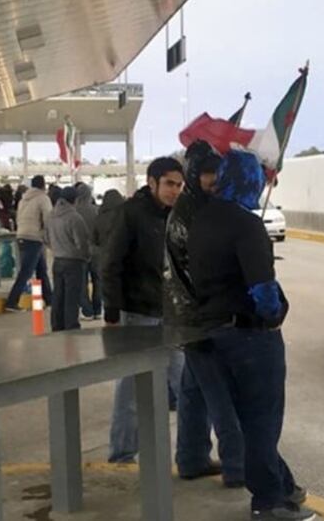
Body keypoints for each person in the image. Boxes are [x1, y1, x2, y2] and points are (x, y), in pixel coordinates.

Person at [189, 150, 314, 521]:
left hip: (212, 334)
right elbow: (262, 288)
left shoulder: (202, 220)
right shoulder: (246, 224)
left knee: (247, 421)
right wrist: (275, 314)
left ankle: (283, 485)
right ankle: (269, 502)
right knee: (262, 420)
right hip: (250, 337)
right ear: (251, 181)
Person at [165, 141, 246, 487]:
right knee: (221, 394)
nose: (215, 179)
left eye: (218, 172)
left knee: (193, 391)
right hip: (199, 318)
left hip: (188, 316)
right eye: (209, 172)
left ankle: (191, 458)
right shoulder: (194, 214)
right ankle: (237, 466)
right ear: (195, 173)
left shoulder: (194, 208)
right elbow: (201, 269)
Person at [102, 157, 186, 464]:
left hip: (171, 314)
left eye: (179, 185)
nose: (174, 190)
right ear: (152, 182)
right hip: (138, 313)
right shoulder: (131, 214)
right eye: (169, 184)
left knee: (186, 383)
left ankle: (190, 455)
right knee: (132, 389)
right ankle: (122, 454)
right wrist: (111, 312)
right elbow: (110, 264)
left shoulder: (175, 216)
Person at [3, 175, 54, 312]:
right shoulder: (43, 198)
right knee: (26, 272)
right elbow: (48, 219)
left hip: (22, 236)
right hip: (34, 237)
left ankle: (50, 299)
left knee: (41, 270)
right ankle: (11, 301)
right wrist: (49, 237)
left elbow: (18, 217)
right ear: (44, 185)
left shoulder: (23, 199)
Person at [44, 186, 91, 331]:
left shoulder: (50, 215)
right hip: (74, 261)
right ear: (75, 200)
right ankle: (71, 325)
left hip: (57, 260)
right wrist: (86, 256)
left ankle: (57, 325)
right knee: (72, 296)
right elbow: (81, 242)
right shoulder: (75, 218)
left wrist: (56, 249)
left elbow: (45, 238)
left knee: (58, 294)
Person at [72, 183, 101, 320]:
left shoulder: (74, 211)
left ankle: (87, 310)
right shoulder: (96, 210)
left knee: (82, 282)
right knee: (97, 281)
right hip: (96, 251)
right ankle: (98, 310)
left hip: (79, 252)